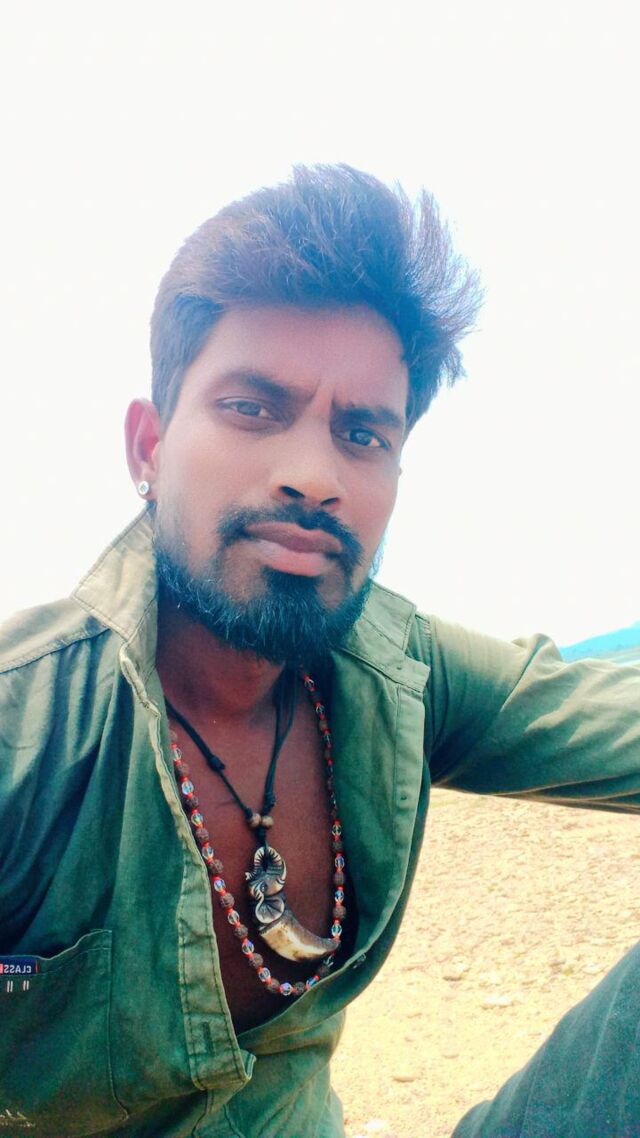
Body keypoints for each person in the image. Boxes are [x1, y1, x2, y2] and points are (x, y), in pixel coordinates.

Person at [1, 164, 639, 1138]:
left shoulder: (404, 676)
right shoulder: (27, 731)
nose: (312, 474)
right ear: (149, 448)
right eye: (252, 408)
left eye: (361, 434)